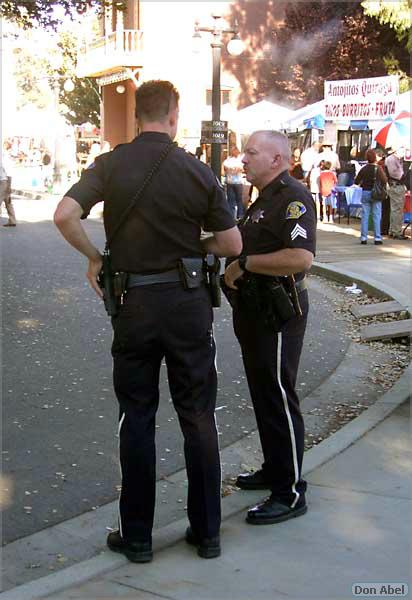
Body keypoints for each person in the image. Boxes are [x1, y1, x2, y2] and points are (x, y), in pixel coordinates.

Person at [54, 80, 242, 562]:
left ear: (138, 115)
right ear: (174, 116)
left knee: (136, 418)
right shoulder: (198, 170)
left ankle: (137, 536)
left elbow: (64, 214)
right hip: (186, 306)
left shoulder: (110, 164)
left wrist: (94, 257)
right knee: (198, 415)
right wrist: (193, 250)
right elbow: (232, 246)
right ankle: (207, 532)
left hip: (133, 306)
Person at [224, 130, 316, 526]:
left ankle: (289, 492)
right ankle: (276, 468)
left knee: (277, 393)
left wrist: (245, 266)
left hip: (277, 310)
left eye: (251, 152)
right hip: (256, 310)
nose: (242, 159)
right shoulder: (263, 198)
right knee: (264, 393)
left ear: (277, 159)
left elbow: (300, 257)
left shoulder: (293, 198)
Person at [355, 148, 387, 245]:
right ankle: (377, 238)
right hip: (376, 194)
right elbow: (384, 180)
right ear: (375, 158)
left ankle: (363, 238)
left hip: (365, 192)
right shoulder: (378, 169)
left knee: (365, 216)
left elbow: (356, 181)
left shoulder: (364, 168)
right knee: (376, 216)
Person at [385, 147, 407, 239]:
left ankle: (393, 230)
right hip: (396, 185)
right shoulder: (391, 159)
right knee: (397, 210)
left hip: (396, 185)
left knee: (395, 209)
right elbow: (396, 174)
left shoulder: (395, 159)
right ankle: (396, 231)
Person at [223, 147, 245, 219]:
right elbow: (241, 169)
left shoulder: (227, 160)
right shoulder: (240, 161)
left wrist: (230, 171)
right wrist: (235, 171)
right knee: (239, 200)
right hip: (238, 182)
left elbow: (224, 171)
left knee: (230, 201)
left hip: (230, 182)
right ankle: (240, 215)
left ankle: (231, 216)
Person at [0, 161, 17, 227]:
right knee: (8, 202)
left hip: (3, 182)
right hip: (5, 182)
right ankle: (12, 221)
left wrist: (9, 186)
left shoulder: (4, 160)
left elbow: (9, 173)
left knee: (7, 201)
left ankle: (12, 220)